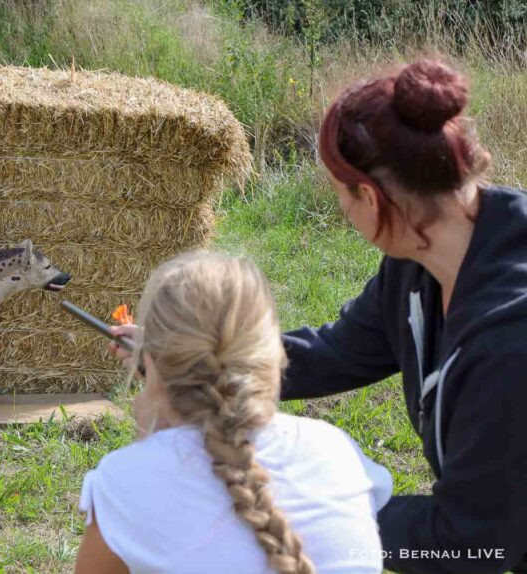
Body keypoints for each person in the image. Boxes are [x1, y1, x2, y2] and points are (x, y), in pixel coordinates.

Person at [112, 59, 527, 573]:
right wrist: (194, 356)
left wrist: (322, 506)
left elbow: (467, 544)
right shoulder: (416, 267)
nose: (342, 211)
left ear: (370, 198)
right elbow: (339, 351)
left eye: (339, 195)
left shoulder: (508, 342)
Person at [79, 252, 391, 574]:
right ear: (275, 353)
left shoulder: (122, 481)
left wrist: (151, 442)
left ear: (154, 360)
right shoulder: (335, 451)